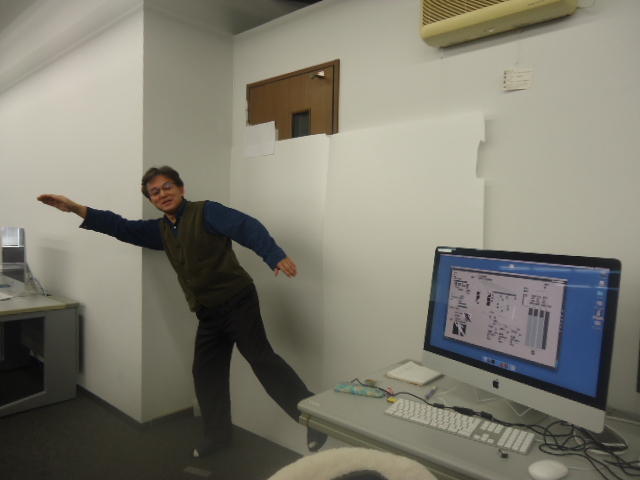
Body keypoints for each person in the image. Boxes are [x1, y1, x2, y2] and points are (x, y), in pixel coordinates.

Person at [37, 165, 326, 458]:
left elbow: (246, 226)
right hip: (208, 312)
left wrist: (274, 255)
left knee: (262, 360)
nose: (162, 194)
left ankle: (314, 420)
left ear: (181, 188)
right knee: (205, 373)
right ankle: (218, 436)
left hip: (238, 301)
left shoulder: (207, 212)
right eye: (155, 192)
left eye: (167, 187)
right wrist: (76, 208)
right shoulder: (161, 230)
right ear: (151, 200)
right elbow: (121, 227)